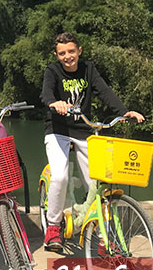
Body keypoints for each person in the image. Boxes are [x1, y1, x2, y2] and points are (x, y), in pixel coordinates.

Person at [41, 32, 145, 252]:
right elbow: (46, 94)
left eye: (71, 51)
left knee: (97, 183)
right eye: (62, 53)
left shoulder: (88, 69)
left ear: (79, 50)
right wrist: (54, 103)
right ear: (56, 55)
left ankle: (103, 236)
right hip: (57, 130)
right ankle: (52, 226)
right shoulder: (52, 71)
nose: (67, 56)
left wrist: (125, 112)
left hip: (83, 129)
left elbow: (105, 92)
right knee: (59, 176)